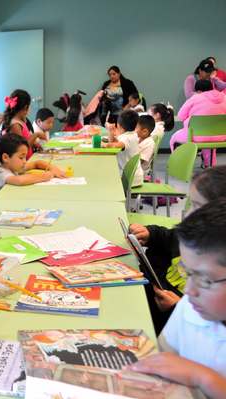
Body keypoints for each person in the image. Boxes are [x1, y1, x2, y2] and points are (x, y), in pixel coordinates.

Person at [124, 198, 226, 399]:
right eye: (186, 272)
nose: (188, 290)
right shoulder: (190, 307)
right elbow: (161, 358)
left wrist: (204, 378)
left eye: (203, 279)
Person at [129, 166, 226, 333]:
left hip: (170, 319)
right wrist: (149, 233)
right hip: (155, 297)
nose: (188, 215)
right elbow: (166, 237)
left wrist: (177, 307)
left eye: (197, 206)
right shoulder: (188, 237)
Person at [0, 134, 69, 207]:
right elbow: (19, 180)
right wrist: (44, 176)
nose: (25, 161)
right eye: (21, 157)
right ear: (5, 157)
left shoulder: (12, 165)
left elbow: (36, 163)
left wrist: (53, 169)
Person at [170, 79, 226, 168]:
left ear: (199, 91)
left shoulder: (195, 98)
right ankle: (208, 165)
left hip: (195, 136)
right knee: (210, 136)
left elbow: (181, 116)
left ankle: (178, 166)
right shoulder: (224, 97)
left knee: (174, 139)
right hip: (220, 136)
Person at [0, 89, 46, 159]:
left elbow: (23, 140)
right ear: (25, 107)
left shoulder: (18, 121)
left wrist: (32, 142)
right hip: (21, 164)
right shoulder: (15, 125)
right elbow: (21, 148)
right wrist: (35, 135)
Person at [102, 110, 144, 187]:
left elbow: (116, 145)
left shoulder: (127, 138)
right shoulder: (132, 134)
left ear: (120, 126)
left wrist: (104, 145)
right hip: (135, 176)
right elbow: (113, 141)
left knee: (104, 178)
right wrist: (111, 132)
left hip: (129, 178)